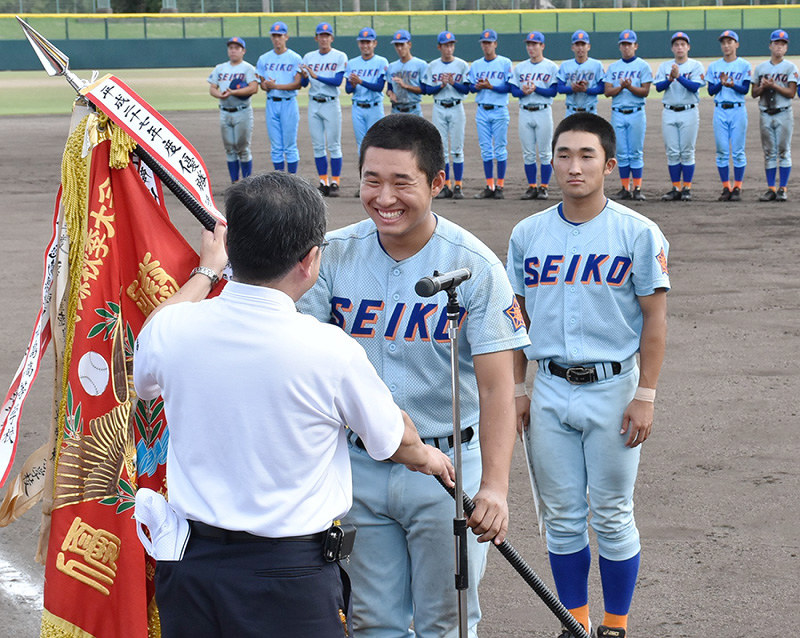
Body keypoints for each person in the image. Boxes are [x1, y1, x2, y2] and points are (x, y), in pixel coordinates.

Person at [133, 171, 456, 638]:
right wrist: (429, 455)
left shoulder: (173, 330)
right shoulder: (329, 350)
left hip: (194, 570)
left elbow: (148, 348)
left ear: (233, 252)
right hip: (289, 577)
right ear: (309, 260)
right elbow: (392, 441)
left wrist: (207, 270)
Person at [297, 114, 530, 637]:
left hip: (447, 471)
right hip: (360, 464)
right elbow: (300, 354)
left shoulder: (474, 265)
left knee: (446, 621)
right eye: (371, 181)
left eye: (402, 182)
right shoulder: (332, 255)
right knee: (371, 620)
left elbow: (497, 387)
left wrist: (493, 487)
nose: (384, 197)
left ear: (436, 183)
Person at [507, 113, 669, 638]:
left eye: (586, 156)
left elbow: (654, 320)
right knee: (561, 515)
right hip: (549, 387)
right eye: (563, 155)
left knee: (613, 513)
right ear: (551, 160)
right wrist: (516, 390)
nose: (573, 166)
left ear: (610, 164)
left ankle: (615, 625)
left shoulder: (638, 232)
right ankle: (574, 622)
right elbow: (516, 321)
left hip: (614, 386)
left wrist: (645, 393)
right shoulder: (528, 233)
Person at [654, 31, 705, 202]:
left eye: (683, 44)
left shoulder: (695, 65)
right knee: (673, 152)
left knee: (687, 151)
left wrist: (679, 77)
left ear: (688, 47)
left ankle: (687, 188)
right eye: (676, 44)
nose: (680, 47)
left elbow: (694, 87)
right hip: (669, 111)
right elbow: (659, 88)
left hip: (689, 111)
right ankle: (676, 187)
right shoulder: (664, 66)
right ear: (672, 48)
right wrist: (670, 79)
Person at [300, 22, 348, 197]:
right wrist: (305, 77)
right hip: (314, 103)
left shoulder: (339, 56)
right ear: (316, 38)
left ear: (332, 38)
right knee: (318, 145)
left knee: (334, 145)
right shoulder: (308, 57)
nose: (324, 38)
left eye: (327, 35)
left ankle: (335, 181)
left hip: (331, 102)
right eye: (321, 35)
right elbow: (304, 83)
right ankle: (323, 181)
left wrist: (316, 75)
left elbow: (337, 81)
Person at [604, 30, 652, 202]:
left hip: (636, 113)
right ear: (620, 47)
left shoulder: (642, 66)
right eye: (623, 44)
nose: (626, 47)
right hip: (618, 113)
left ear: (635, 46)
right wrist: (622, 87)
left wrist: (628, 88)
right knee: (622, 153)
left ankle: (637, 188)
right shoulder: (614, 67)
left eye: (629, 44)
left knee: (636, 152)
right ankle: (625, 188)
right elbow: (607, 92)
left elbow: (645, 92)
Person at [510, 31, 558, 201]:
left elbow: (553, 90)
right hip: (525, 111)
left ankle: (544, 187)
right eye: (529, 44)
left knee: (545, 153)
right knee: (528, 153)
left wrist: (536, 89)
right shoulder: (521, 67)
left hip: (543, 111)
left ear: (542, 46)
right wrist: (522, 91)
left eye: (534, 44)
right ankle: (531, 187)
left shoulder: (551, 66)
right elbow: (513, 90)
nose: (531, 47)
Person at [423, 30, 470, 200]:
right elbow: (428, 90)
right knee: (442, 149)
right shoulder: (433, 66)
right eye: (445, 45)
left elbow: (467, 89)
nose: (449, 48)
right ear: (439, 47)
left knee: (457, 149)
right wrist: (441, 86)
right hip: (439, 107)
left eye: (451, 45)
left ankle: (458, 185)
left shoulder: (462, 65)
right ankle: (445, 185)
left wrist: (453, 83)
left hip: (457, 107)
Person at [752, 29, 798, 202]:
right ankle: (771, 188)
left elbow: (791, 93)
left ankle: (783, 189)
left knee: (784, 151)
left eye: (783, 44)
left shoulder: (790, 67)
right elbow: (754, 93)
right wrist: (764, 87)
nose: (779, 46)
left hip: (783, 113)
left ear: (786, 48)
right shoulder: (761, 68)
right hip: (765, 113)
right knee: (769, 152)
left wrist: (774, 85)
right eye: (776, 43)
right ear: (770, 46)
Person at [707, 30, 752, 201]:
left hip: (738, 110)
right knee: (722, 150)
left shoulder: (744, 65)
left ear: (736, 44)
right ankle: (726, 187)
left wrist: (732, 84)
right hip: (720, 110)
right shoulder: (714, 66)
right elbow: (711, 91)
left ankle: (738, 187)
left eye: (730, 42)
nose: (726, 45)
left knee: (738, 151)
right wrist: (721, 82)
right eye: (724, 42)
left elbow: (745, 90)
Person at [468, 28, 513, 199]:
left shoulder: (505, 62)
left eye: (489, 42)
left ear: (495, 44)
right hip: (482, 110)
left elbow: (509, 87)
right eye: (484, 43)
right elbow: (470, 87)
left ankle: (500, 186)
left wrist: (491, 86)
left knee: (500, 149)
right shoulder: (477, 65)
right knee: (486, 150)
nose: (487, 46)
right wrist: (477, 87)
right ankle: (489, 185)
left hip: (500, 110)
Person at [207, 37, 258, 184]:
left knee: (243, 149)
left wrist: (233, 92)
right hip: (224, 111)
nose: (233, 50)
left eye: (237, 48)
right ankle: (235, 183)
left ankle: (247, 183)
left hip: (242, 112)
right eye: (231, 48)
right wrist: (220, 95)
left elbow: (254, 88)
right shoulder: (220, 68)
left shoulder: (248, 68)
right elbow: (212, 88)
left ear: (243, 51)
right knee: (229, 149)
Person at [256, 21, 303, 173]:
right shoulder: (264, 58)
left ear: (286, 37)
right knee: (276, 146)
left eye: (280, 35)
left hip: (289, 103)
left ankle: (293, 180)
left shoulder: (295, 58)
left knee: (290, 145)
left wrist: (276, 86)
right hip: (271, 103)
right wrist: (267, 85)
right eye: (274, 36)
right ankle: (279, 181)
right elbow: (262, 84)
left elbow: (297, 84)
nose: (277, 39)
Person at [345, 27, 388, 158]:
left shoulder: (381, 61)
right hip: (358, 107)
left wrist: (360, 81)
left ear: (374, 43)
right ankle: (364, 176)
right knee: (361, 144)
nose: (365, 45)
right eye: (362, 42)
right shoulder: (352, 63)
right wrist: (352, 85)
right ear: (359, 44)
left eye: (368, 42)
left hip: (375, 107)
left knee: (377, 143)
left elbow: (379, 87)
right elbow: (348, 90)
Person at [557, 31, 605, 116]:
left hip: (590, 111)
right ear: (572, 47)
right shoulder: (565, 65)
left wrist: (586, 90)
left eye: (583, 44)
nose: (580, 48)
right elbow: (560, 89)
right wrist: (572, 88)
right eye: (577, 45)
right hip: (571, 112)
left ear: (588, 47)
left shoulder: (597, 65)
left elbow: (602, 88)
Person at [386, 29, 427, 116]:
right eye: (397, 45)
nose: (399, 48)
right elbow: (389, 88)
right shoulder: (392, 66)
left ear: (409, 44)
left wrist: (405, 86)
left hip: (414, 110)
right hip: (396, 110)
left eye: (402, 44)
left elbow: (424, 89)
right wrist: (390, 93)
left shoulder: (421, 64)